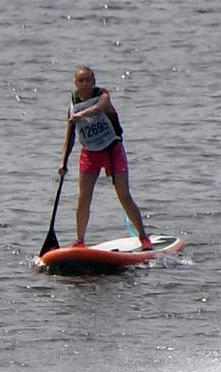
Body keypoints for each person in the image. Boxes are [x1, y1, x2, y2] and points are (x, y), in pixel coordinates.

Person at [58, 66, 152, 250]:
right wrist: (63, 162)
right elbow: (69, 138)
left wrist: (82, 115)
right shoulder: (72, 106)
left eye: (88, 80)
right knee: (84, 198)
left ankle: (143, 237)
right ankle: (80, 241)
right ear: (75, 83)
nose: (85, 84)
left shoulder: (103, 95)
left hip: (112, 150)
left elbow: (100, 108)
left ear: (94, 81)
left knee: (124, 195)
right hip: (90, 154)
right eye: (81, 81)